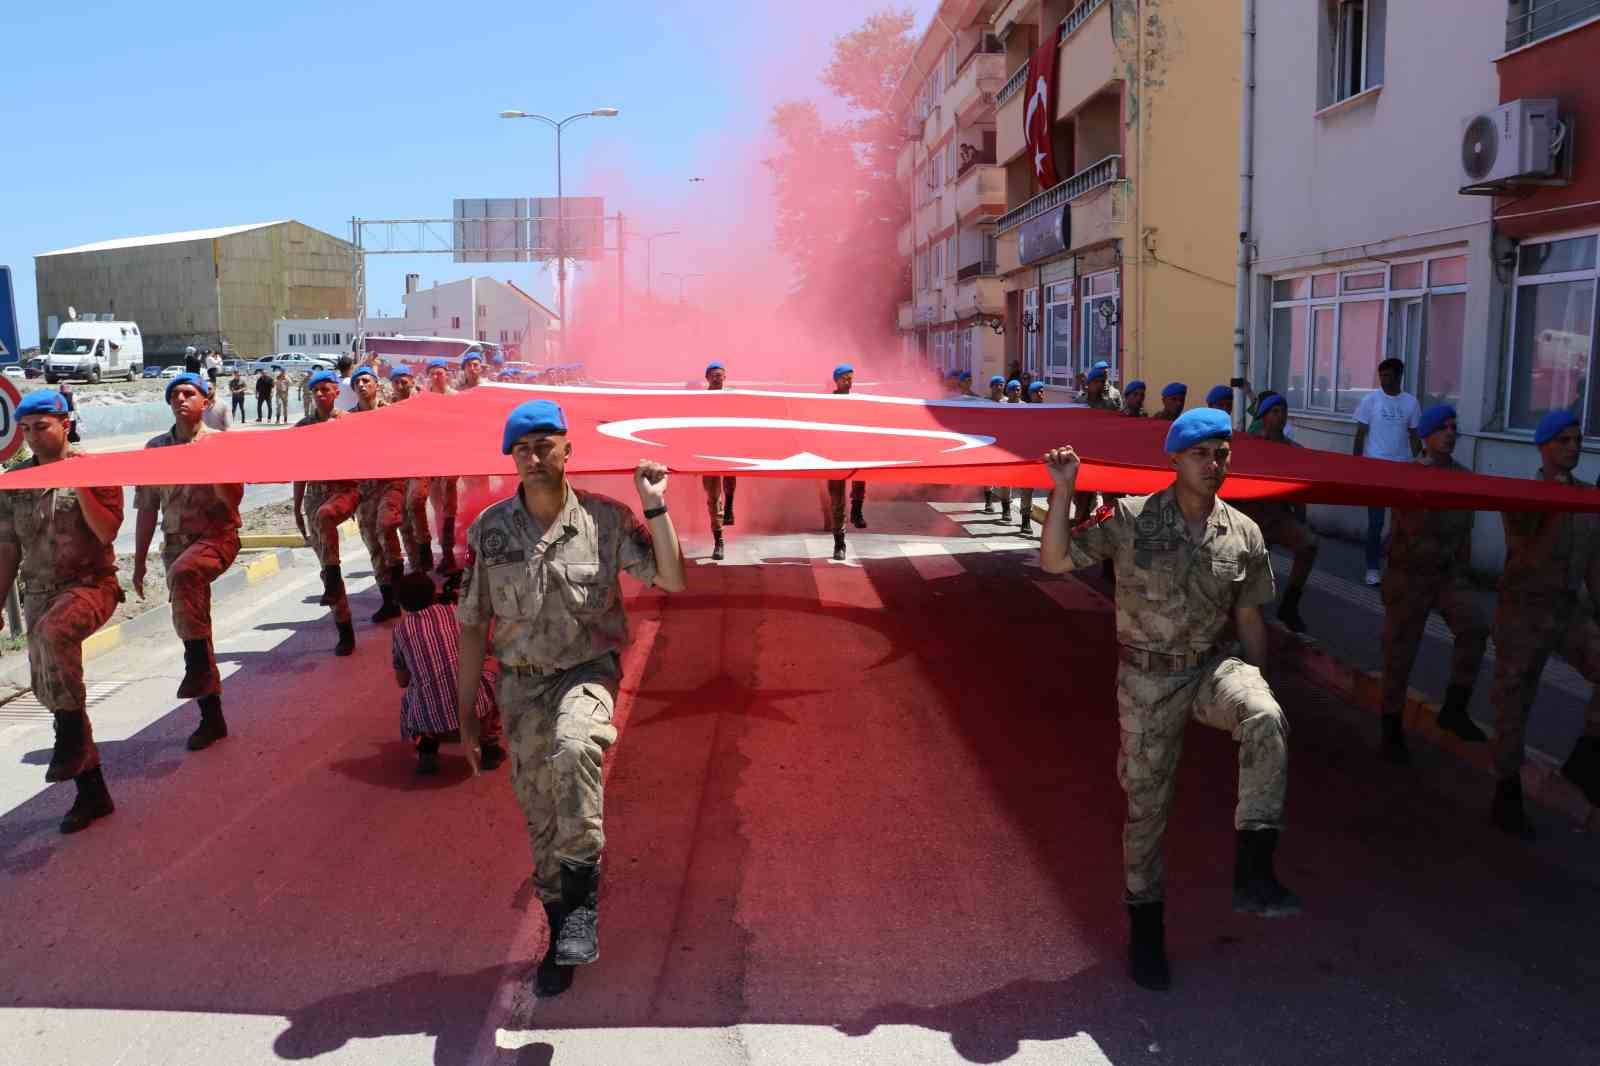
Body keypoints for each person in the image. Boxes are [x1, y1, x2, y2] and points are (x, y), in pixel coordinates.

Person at [1039, 408, 1297, 991]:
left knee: (1265, 715)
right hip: (1147, 682)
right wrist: (1063, 492)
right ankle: (1146, 929)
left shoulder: (1244, 532)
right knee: (1146, 810)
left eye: (1223, 453)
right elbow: (1055, 561)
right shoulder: (1131, 518)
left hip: (1211, 666)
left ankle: (1255, 867)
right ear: (1175, 459)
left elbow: (1250, 617)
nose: (1215, 464)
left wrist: (1260, 685)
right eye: (1203, 454)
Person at [455, 398, 686, 998]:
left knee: (575, 745)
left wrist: (655, 505)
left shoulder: (607, 522)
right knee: (542, 816)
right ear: (512, 458)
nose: (533, 457)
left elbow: (673, 578)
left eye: (544, 446)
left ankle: (581, 909)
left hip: (586, 670)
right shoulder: (490, 532)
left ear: (566, 450)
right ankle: (562, 929)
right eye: (522, 449)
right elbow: (475, 624)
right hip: (520, 686)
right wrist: (465, 716)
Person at [0, 391, 124, 834]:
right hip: (38, 593)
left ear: (65, 424)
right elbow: (7, 548)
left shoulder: (96, 470)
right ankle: (92, 791)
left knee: (54, 637)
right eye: (27, 429)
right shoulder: (15, 482)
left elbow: (107, 531)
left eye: (42, 426)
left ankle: (69, 737)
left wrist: (79, 481)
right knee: (51, 683)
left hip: (90, 585)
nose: (33, 437)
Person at [1487, 410, 1600, 838]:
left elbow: (1594, 561)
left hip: (1569, 611)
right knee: (1513, 702)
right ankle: (1506, 792)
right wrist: (1552, 499)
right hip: (1525, 611)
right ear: (1543, 446)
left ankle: (1585, 763)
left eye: (1577, 441)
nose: (1572, 448)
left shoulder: (1589, 499)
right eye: (1563, 441)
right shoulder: (1525, 497)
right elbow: (1520, 542)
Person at [130, 372, 245, 751]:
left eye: (188, 393)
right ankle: (211, 716)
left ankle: (196, 669)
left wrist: (211, 470)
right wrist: (140, 561)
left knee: (185, 577)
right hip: (176, 547)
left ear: (205, 401)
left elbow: (232, 504)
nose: (181, 399)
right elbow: (147, 508)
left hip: (217, 538)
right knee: (193, 621)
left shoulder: (221, 446)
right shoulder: (155, 449)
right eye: (174, 394)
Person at [1376, 404, 1488, 765]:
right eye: (1443, 428)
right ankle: (1390, 725)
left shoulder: (1464, 477)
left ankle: (1455, 707)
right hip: (1409, 573)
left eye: (1455, 427)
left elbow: (1466, 532)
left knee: (1475, 626)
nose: (1451, 433)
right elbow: (1394, 529)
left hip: (1446, 574)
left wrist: (1464, 575)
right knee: (1399, 653)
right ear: (1425, 436)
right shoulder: (1406, 475)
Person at [392, 571, 501, 775]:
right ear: (434, 594)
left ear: (402, 605)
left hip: (431, 722)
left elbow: (402, 681)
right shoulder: (455, 612)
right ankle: (490, 747)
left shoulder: (400, 630)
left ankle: (426, 750)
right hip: (474, 715)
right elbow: (485, 649)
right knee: (493, 680)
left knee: (409, 701)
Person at [1232, 394, 1318, 634]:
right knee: (1244, 576)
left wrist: (1301, 518)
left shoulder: (1293, 450)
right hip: (1250, 517)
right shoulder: (1249, 447)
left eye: (1283, 411)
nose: (1280, 417)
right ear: (1264, 417)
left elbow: (1302, 490)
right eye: (1275, 412)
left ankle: (1290, 606)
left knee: (1309, 545)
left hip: (1279, 516)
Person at [293, 370, 360, 656]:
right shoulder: (303, 428)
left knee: (324, 516)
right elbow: (298, 470)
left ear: (335, 392)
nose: (320, 395)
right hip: (315, 500)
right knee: (326, 568)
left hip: (344, 493)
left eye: (325, 389)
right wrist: (296, 508)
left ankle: (332, 579)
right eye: (315, 390)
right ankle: (344, 628)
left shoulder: (349, 422)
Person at [1352, 358, 1422, 587]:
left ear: (1399, 377)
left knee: (1403, 522)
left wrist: (1422, 463)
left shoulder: (1411, 403)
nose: (1383, 380)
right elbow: (1360, 434)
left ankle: (1398, 564)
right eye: (1381, 375)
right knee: (1376, 521)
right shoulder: (1370, 400)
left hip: (1403, 469)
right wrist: (1355, 465)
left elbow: (1414, 436)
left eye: (1388, 376)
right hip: (1375, 468)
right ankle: (1372, 568)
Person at [348, 367, 409, 623]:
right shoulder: (348, 419)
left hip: (391, 482)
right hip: (363, 489)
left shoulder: (390, 413)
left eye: (366, 380)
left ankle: (399, 592)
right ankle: (388, 600)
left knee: (386, 527)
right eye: (357, 382)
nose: (362, 385)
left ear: (375, 384)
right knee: (372, 542)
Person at [420, 358, 462, 573]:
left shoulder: (456, 398)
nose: (437, 377)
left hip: (452, 460)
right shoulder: (425, 399)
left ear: (447, 374)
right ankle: (446, 552)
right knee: (437, 507)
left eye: (440, 373)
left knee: (450, 509)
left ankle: (449, 551)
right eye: (433, 373)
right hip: (432, 461)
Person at [826, 365, 867, 560]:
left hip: (854, 452)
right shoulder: (827, 402)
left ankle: (857, 509)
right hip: (834, 456)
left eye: (851, 378)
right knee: (836, 502)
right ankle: (839, 543)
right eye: (845, 378)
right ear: (836, 380)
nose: (849, 382)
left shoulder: (858, 401)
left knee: (861, 477)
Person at [701, 361, 737, 561]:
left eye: (721, 375)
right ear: (707, 378)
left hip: (729, 447)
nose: (718, 378)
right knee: (713, 497)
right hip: (707, 452)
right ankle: (719, 540)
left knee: (730, 481)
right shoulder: (700, 399)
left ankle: (730, 504)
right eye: (714, 375)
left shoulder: (733, 395)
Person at [984, 375, 1013, 519]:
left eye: (1002, 384)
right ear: (992, 387)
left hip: (1005, 444)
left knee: (1007, 477)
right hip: (988, 443)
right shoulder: (984, 402)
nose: (1000, 387)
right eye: (997, 384)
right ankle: (988, 501)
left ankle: (1006, 509)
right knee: (988, 473)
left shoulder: (1009, 403)